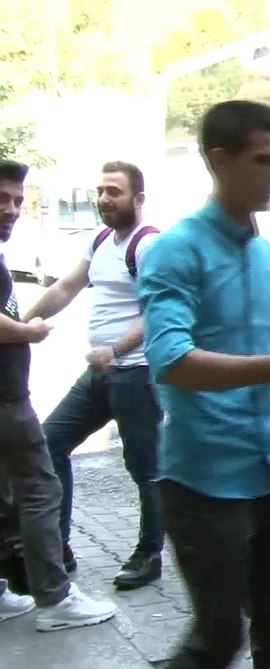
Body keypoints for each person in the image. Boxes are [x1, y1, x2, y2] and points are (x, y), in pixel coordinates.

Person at [132, 100, 270, 669]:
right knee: (218, 637)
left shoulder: (265, 253)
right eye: (263, 160)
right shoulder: (177, 250)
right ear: (219, 160)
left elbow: (247, 345)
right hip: (205, 483)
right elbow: (170, 359)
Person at [23, 160, 165, 589]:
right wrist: (21, 324)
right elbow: (65, 287)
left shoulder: (149, 245)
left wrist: (116, 348)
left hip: (136, 373)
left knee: (146, 468)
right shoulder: (101, 240)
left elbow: (159, 309)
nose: (104, 199)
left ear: (137, 199)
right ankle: (59, 547)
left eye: (114, 192)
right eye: (101, 191)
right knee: (50, 443)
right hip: (100, 374)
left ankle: (149, 553)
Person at [0, 158, 118, 631]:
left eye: (15, 201)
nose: (11, 210)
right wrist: (28, 332)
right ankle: (55, 598)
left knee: (11, 493)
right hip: (7, 401)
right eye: (2, 200)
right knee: (40, 489)